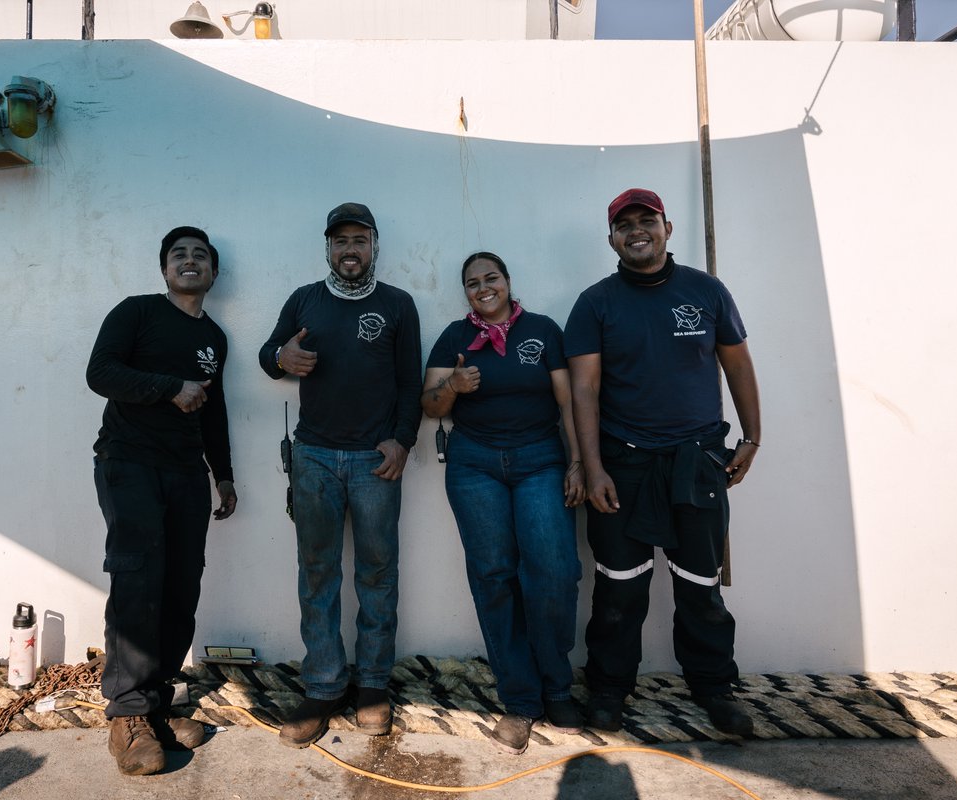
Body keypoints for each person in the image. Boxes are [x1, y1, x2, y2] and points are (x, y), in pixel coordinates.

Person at [564, 189, 761, 737]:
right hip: (622, 466)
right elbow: (584, 390)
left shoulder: (706, 291)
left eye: (646, 220)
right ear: (611, 239)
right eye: (623, 225)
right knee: (619, 587)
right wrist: (594, 465)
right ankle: (607, 689)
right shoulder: (595, 303)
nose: (636, 231)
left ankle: (714, 688)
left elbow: (738, 365)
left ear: (667, 227)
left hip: (696, 461)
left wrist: (753, 438)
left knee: (702, 585)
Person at [259, 202, 422, 748]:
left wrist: (403, 440)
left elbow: (409, 383)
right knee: (318, 573)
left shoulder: (398, 304)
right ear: (327, 248)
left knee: (378, 571)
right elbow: (266, 355)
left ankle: (373, 684)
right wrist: (283, 357)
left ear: (375, 245)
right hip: (315, 458)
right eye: (340, 242)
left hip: (376, 461)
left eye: (360, 240)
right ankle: (324, 686)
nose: (350, 250)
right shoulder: (304, 299)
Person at [86, 226, 239, 775]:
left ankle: (154, 703)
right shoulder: (137, 312)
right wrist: (168, 387)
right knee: (137, 579)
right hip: (128, 463)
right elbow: (99, 373)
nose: (190, 261)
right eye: (179, 254)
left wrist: (222, 475)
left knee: (179, 585)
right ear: (165, 269)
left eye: (200, 255)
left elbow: (214, 410)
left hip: (184, 474)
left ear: (214, 273)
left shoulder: (215, 339)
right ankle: (126, 717)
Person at [421, 252, 585, 755]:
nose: (482, 288)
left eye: (491, 278)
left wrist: (577, 462)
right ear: (465, 291)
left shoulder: (542, 329)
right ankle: (519, 701)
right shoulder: (454, 337)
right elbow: (428, 405)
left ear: (508, 282)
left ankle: (556, 687)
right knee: (494, 576)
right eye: (472, 283)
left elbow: (568, 402)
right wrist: (453, 385)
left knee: (554, 571)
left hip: (540, 458)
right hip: (475, 463)